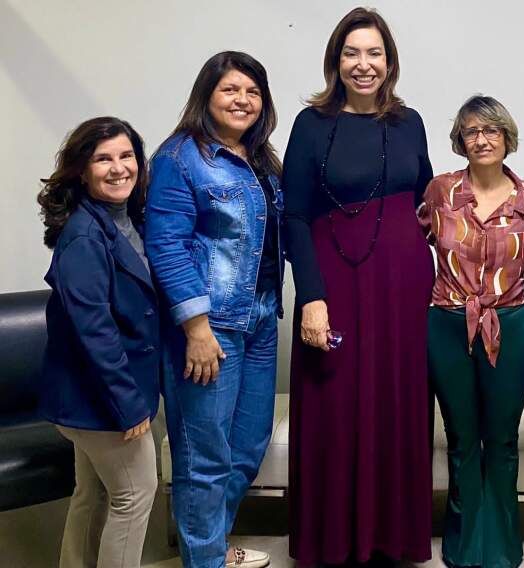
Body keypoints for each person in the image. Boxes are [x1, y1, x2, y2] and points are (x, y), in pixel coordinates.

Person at [282, 6, 434, 565]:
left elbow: (426, 199)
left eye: (374, 53)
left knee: (399, 400)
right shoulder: (311, 124)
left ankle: (392, 537)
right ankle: (332, 540)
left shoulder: (409, 121)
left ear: (389, 62)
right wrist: (312, 297)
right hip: (335, 281)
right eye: (352, 53)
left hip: (404, 287)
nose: (363, 64)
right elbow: (294, 216)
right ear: (336, 61)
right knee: (334, 402)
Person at [145, 51, 283, 568]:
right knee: (204, 457)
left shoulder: (263, 161)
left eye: (252, 92)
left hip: (263, 318)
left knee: (246, 447)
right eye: (230, 90)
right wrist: (196, 327)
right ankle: (203, 560)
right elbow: (166, 245)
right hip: (209, 325)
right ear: (207, 95)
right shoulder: (179, 158)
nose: (242, 100)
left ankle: (211, 547)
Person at [418, 95, 524, 568]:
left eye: (491, 130)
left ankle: (501, 546)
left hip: (508, 328)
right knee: (461, 437)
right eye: (472, 131)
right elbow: (410, 246)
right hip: (447, 324)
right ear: (460, 140)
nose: (482, 139)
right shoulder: (441, 192)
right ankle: (463, 545)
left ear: (507, 137)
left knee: (501, 439)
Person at [37, 117, 159, 568]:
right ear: (81, 171)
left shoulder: (125, 220)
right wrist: (128, 404)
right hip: (101, 401)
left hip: (89, 399)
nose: (118, 168)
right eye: (102, 158)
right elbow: (96, 333)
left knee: (91, 494)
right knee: (134, 495)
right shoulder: (84, 237)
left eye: (126, 156)